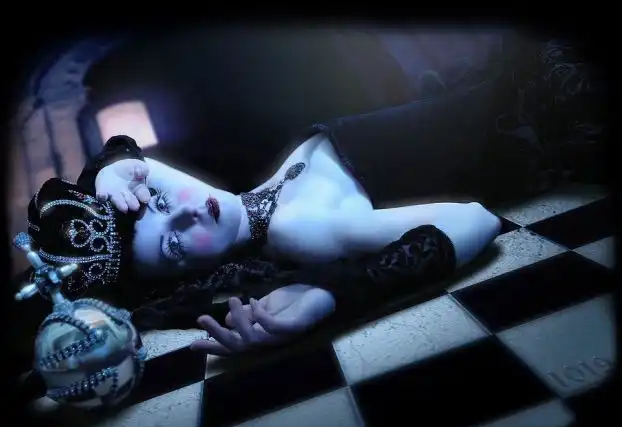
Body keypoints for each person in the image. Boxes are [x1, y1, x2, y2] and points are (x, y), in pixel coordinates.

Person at [12, 35, 604, 361]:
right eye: (173, 243)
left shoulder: (263, 196)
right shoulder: (298, 228)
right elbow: (472, 219)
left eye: (159, 197)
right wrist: (332, 296)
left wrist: (113, 164)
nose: (189, 211)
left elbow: (129, 168)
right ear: (185, 274)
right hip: (565, 101)